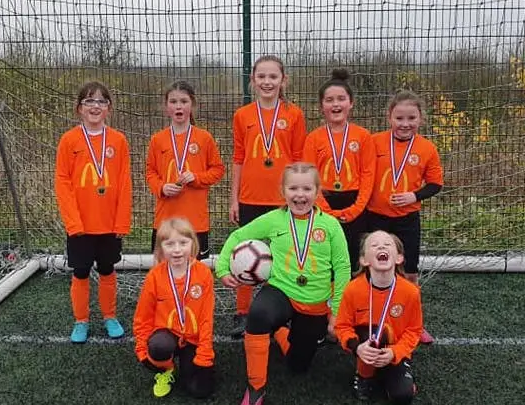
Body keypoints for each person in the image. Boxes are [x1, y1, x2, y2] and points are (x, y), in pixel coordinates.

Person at [217, 162, 350, 405]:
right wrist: (223, 269)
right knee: (258, 315)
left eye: (306, 189)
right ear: (283, 191)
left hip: (315, 301)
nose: (300, 195)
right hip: (281, 290)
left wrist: (336, 312)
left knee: (298, 366)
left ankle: (281, 333)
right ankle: (255, 388)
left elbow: (343, 269)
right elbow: (236, 238)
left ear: (317, 191)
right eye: (293, 188)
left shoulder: (331, 226)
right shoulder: (274, 219)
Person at [228, 55, 307, 338]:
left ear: (283, 80)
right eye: (261, 76)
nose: (267, 82)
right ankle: (242, 312)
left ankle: (280, 310)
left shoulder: (294, 114)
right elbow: (238, 158)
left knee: (284, 257)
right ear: (253, 80)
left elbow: (299, 160)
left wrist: (297, 196)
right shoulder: (242, 115)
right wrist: (234, 198)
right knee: (245, 255)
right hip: (250, 196)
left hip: (282, 200)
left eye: (273, 77)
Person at [54, 81, 132, 343]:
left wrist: (122, 221)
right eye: (89, 101)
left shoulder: (119, 140)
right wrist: (72, 222)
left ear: (108, 108)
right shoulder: (69, 140)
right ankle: (81, 321)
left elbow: (124, 182)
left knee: (108, 269)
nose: (95, 106)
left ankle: (110, 316)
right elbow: (62, 183)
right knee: (81, 271)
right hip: (81, 225)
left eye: (101, 101)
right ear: (79, 108)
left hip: (109, 223)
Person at [366, 90, 443, 344]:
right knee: (371, 271)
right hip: (375, 218)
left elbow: (435, 184)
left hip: (407, 220)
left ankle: (415, 324)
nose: (405, 123)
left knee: (409, 273)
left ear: (420, 119)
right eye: (399, 118)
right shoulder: (374, 142)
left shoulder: (427, 148)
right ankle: (370, 321)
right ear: (389, 117)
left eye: (411, 118)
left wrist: (414, 196)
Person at [333, 230, 421, 405]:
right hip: (365, 344)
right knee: (372, 332)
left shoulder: (411, 292)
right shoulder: (353, 290)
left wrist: (395, 353)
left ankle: (396, 369)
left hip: (395, 350)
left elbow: (414, 331)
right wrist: (357, 347)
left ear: (399, 258)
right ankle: (364, 374)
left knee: (402, 398)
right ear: (364, 260)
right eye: (374, 245)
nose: (381, 246)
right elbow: (342, 326)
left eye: (387, 244)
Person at [132, 218, 216, 399]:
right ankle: (166, 369)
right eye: (169, 244)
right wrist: (142, 349)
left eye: (183, 243)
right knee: (158, 347)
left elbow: (206, 318)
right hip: (166, 334)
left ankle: (189, 362)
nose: (177, 250)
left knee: (199, 390)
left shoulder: (203, 274)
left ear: (193, 244)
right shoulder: (154, 276)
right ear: (160, 248)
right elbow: (143, 317)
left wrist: (204, 353)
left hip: (192, 338)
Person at [302, 68, 374, 272]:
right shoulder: (313, 138)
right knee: (324, 256)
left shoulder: (363, 136)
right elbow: (309, 177)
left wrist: (356, 209)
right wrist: (325, 209)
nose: (335, 104)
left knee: (353, 258)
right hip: (322, 204)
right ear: (321, 106)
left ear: (351, 103)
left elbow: (368, 175)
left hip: (355, 204)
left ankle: (351, 299)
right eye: (329, 100)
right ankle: (325, 300)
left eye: (341, 99)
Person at [145, 81, 224, 260]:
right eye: (173, 102)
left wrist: (196, 177)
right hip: (165, 220)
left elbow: (218, 170)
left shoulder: (204, 138)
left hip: (195, 222)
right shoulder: (158, 140)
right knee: (165, 274)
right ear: (166, 107)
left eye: (183, 101)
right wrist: (162, 187)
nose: (178, 106)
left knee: (195, 275)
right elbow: (150, 172)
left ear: (192, 104)